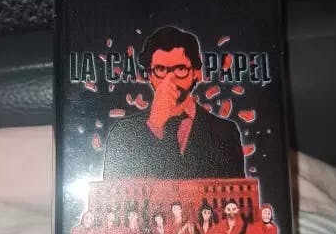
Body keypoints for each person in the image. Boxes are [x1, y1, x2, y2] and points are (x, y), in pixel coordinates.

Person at [103, 25, 244, 180]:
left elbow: (236, 194)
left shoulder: (225, 132)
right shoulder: (123, 134)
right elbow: (116, 192)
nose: (170, 80)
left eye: (181, 69)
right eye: (160, 69)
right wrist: (155, 124)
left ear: (196, 72)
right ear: (149, 75)